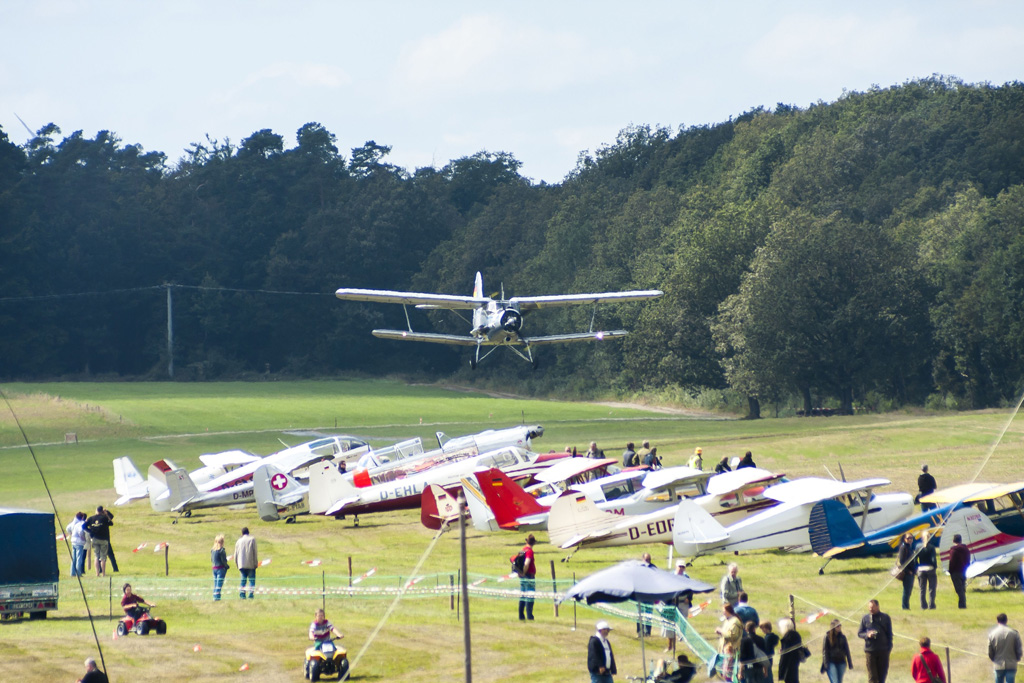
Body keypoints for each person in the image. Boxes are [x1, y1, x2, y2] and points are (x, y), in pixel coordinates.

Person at [857, 599, 893, 683]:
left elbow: (889, 634)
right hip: (870, 651)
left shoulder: (885, 617)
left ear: (878, 606)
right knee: (872, 677)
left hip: (883, 651)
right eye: (869, 607)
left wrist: (889, 647)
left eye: (873, 607)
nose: (871, 609)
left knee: (882, 677)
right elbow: (860, 633)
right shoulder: (865, 618)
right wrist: (867, 635)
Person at [663, 560, 691, 652]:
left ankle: (681, 636)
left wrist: (689, 598)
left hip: (683, 603)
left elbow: (690, 589)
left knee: (683, 621)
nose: (681, 568)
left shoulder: (686, 577)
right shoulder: (670, 576)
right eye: (680, 566)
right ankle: (669, 646)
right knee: (669, 625)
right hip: (672, 603)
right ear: (676, 566)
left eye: (683, 567)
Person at [988, 613, 1023, 683]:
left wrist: (994, 659)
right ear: (1006, 620)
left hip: (998, 664)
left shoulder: (992, 634)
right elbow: (1019, 649)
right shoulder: (1014, 633)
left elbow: (990, 651)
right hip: (1011, 664)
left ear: (997, 621)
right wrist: (1017, 658)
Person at [84, 506, 113, 577]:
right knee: (103, 557)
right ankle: (103, 573)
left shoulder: (91, 518)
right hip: (103, 539)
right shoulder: (104, 518)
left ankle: (97, 573)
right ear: (102, 511)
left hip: (95, 539)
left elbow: (83, 526)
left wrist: (90, 531)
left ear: (96, 510)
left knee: (96, 556)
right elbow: (111, 523)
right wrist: (106, 515)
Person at [233, 527, 258, 599]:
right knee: (251, 580)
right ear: (248, 532)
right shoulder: (252, 539)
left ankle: (242, 594)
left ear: (242, 533)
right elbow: (255, 552)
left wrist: (237, 564)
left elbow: (236, 554)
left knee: (243, 580)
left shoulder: (238, 541)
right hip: (250, 563)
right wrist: (255, 563)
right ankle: (250, 594)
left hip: (241, 564)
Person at [777, 618, 805, 683]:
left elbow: (784, 657)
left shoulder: (787, 638)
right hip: (795, 663)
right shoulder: (796, 635)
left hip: (788, 666)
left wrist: (781, 671)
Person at [896, 533, 919, 610]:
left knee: (909, 591)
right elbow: (902, 562)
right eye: (908, 538)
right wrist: (908, 571)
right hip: (907, 573)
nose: (910, 540)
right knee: (906, 590)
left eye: (911, 538)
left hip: (912, 573)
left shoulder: (910, 548)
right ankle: (905, 607)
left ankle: (907, 606)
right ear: (904, 539)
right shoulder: (903, 548)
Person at [948, 533, 971, 609]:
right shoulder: (966, 549)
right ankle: (962, 604)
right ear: (961, 540)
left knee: (959, 590)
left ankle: (962, 605)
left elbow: (952, 562)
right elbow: (968, 560)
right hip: (963, 571)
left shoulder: (953, 550)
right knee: (962, 588)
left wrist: (950, 571)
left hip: (955, 572)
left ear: (953, 540)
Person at [916, 532, 937, 610]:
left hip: (921, 569)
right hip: (930, 569)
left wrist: (917, 567)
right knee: (932, 588)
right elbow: (933, 559)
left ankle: (923, 605)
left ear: (922, 538)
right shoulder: (931, 547)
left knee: (922, 589)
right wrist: (934, 566)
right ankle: (931, 605)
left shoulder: (918, 546)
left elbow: (915, 559)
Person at [518, 533, 537, 621]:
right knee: (530, 596)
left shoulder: (522, 550)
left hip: (522, 576)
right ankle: (529, 616)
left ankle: (521, 615)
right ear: (533, 543)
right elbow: (526, 563)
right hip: (528, 576)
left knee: (522, 595)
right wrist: (524, 572)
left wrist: (521, 573)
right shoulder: (529, 551)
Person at [67, 511, 87, 577]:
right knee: (79, 558)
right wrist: (83, 538)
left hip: (73, 541)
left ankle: (72, 573)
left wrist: (71, 534)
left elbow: (68, 528)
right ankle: (78, 573)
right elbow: (80, 531)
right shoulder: (81, 523)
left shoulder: (74, 522)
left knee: (74, 558)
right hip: (79, 542)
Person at [211, 534, 229, 601]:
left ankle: (214, 596)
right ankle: (217, 597)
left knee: (215, 583)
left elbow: (212, 560)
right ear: (222, 542)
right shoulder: (221, 550)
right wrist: (226, 566)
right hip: (220, 568)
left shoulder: (212, 550)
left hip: (214, 568)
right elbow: (223, 560)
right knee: (219, 584)